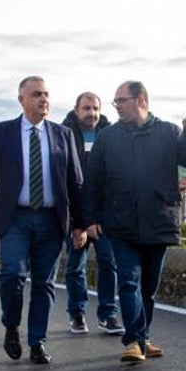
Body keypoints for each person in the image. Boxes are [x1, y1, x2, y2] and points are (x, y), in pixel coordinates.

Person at [83, 81, 186, 365]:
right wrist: (90, 219)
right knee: (128, 281)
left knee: (148, 286)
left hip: (159, 220)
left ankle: (143, 338)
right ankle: (133, 340)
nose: (117, 107)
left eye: (121, 101)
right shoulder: (107, 137)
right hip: (120, 223)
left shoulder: (169, 131)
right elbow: (92, 182)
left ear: (141, 100)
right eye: (115, 102)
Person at [0, 76, 86, 366]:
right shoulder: (1, 132)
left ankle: (37, 341)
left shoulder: (62, 135)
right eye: (36, 94)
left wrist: (80, 224)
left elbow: (75, 183)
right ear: (21, 99)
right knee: (12, 273)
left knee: (44, 283)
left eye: (47, 94)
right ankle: (11, 325)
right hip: (15, 218)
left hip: (51, 220)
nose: (43, 99)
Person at [60, 92, 122, 336]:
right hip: (76, 212)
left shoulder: (110, 134)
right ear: (76, 110)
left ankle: (108, 314)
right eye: (86, 108)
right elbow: (64, 179)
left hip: (104, 214)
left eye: (95, 108)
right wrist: (77, 221)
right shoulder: (64, 134)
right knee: (76, 266)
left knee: (109, 262)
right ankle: (77, 313)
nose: (91, 113)